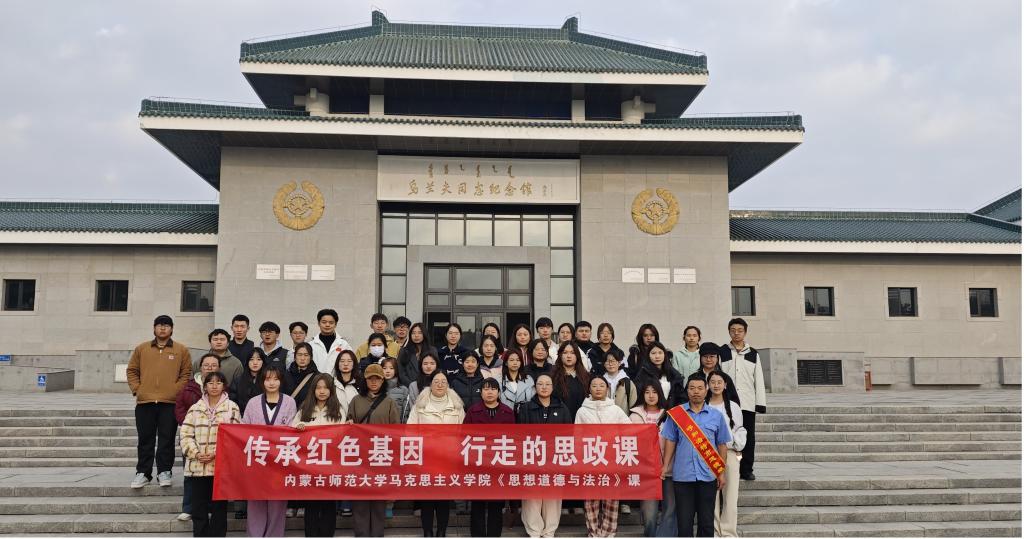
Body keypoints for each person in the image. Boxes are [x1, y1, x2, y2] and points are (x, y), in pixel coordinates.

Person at [661, 373, 731, 538]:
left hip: (708, 476)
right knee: (684, 524)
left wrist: (720, 472)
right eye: (692, 388)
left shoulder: (716, 416)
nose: (696, 392)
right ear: (687, 391)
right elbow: (670, 441)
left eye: (700, 388)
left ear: (706, 390)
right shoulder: (677, 414)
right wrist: (665, 466)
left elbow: (722, 445)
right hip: (683, 476)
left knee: (706, 523)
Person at [126, 315, 192, 489]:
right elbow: (132, 370)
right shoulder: (142, 349)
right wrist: (137, 389)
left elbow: (186, 374)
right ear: (154, 328)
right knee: (145, 439)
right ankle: (143, 473)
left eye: (166, 325)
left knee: (166, 439)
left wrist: (176, 391)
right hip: (145, 402)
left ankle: (164, 471)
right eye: (159, 325)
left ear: (172, 329)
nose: (163, 328)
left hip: (169, 403)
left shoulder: (181, 350)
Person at [180, 371, 240, 537]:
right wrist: (196, 453)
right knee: (198, 508)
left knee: (219, 508)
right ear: (205, 386)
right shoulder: (195, 408)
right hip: (197, 466)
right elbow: (185, 435)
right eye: (211, 383)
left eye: (218, 382)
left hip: (220, 467)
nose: (214, 386)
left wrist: (216, 453)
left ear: (224, 386)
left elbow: (234, 437)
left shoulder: (232, 408)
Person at [407, 371, 465, 537]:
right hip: (426, 459)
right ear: (430, 384)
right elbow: (410, 431)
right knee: (427, 499)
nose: (440, 384)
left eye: (443, 381)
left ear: (448, 385)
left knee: (443, 499)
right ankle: (427, 531)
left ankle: (441, 531)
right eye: (436, 381)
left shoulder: (457, 406)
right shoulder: (420, 405)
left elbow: (463, 432)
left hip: (448, 459)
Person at [241, 365, 297, 537]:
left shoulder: (289, 402)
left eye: (275, 379)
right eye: (267, 379)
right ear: (262, 381)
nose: (271, 383)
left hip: (280, 460)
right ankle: (255, 535)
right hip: (257, 459)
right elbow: (244, 429)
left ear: (281, 381)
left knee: (277, 502)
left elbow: (292, 431)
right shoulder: (253, 403)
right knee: (255, 500)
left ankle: (274, 535)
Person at [347, 364, 400, 537]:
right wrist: (349, 424)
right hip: (360, 457)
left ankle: (377, 535)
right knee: (360, 501)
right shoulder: (356, 401)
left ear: (383, 381)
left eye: (378, 378)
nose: (374, 382)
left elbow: (397, 431)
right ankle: (361, 534)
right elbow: (349, 423)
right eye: (371, 379)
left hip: (381, 457)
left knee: (378, 501)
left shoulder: (389, 402)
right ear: (365, 380)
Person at [575, 377, 631, 537]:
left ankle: (608, 533)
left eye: (601, 385)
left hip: (612, 460)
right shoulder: (582, 411)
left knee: (611, 498)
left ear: (607, 388)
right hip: (590, 460)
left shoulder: (616, 410)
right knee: (590, 499)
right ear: (589, 389)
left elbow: (629, 430)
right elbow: (577, 437)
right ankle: (593, 533)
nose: (598, 388)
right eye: (594, 385)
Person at [517, 374, 571, 537]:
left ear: (553, 387)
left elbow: (568, 435)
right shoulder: (526, 408)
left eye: (548, 384)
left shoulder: (562, 408)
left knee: (552, 497)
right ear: (535, 387)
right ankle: (534, 531)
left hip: (555, 459)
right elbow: (520, 435)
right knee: (532, 496)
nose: (544, 387)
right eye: (540, 384)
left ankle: (549, 531)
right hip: (532, 458)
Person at [293, 373, 346, 536]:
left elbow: (342, 435)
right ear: (313, 390)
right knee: (311, 505)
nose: (322, 391)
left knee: (328, 505)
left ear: (331, 390)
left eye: (325, 388)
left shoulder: (338, 410)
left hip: (330, 466)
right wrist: (300, 427)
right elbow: (292, 431)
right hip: (310, 466)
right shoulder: (305, 409)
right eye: (318, 388)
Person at [464, 378, 515, 537]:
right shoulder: (473, 411)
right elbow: (464, 438)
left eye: (493, 389)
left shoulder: (508, 412)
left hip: (499, 466)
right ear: (481, 392)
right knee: (477, 505)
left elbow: (514, 440)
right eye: (486, 389)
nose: (490, 392)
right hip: (478, 465)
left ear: (499, 392)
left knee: (496, 506)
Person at [173, 353, 220, 522]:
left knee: (212, 477)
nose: (210, 368)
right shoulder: (189, 386)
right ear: (200, 367)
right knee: (190, 474)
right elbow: (179, 407)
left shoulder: (222, 387)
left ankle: (209, 507)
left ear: (219, 368)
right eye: (206, 365)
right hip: (193, 437)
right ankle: (188, 508)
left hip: (214, 438)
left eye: (213, 365)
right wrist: (189, 425)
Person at [718, 318, 766, 481]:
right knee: (727, 435)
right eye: (733, 330)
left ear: (745, 332)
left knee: (748, 437)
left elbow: (758, 379)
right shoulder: (722, 352)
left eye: (740, 330)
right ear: (729, 332)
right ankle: (727, 467)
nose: (736, 333)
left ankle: (746, 469)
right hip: (727, 402)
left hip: (747, 402)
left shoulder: (753, 353)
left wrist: (760, 403)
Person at [629, 381, 674, 537]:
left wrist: (666, 465)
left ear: (660, 393)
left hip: (668, 469)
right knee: (649, 513)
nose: (651, 395)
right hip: (646, 472)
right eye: (647, 392)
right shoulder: (634, 416)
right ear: (642, 395)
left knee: (670, 510)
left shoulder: (670, 415)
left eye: (654, 392)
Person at [706, 371, 746, 538]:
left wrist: (735, 444)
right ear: (707, 385)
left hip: (729, 453)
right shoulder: (704, 404)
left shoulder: (733, 406)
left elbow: (739, 429)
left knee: (730, 495)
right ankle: (715, 531)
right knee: (711, 496)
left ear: (725, 385)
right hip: (708, 454)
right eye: (712, 382)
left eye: (719, 382)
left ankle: (729, 532)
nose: (716, 385)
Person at [551, 341, 590, 420]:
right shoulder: (552, 376)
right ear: (560, 355)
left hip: (581, 420)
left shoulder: (586, 377)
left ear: (577, 356)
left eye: (572, 353)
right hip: (559, 420)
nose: (569, 356)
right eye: (565, 353)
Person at [310, 308, 353, 374]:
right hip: (316, 380)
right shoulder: (311, 345)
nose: (327, 325)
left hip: (337, 380)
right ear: (318, 323)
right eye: (324, 322)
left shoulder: (344, 345)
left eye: (331, 322)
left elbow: (352, 363)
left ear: (335, 324)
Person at [397, 322, 437, 388]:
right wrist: (413, 386)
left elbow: (435, 370)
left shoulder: (432, 350)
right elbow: (401, 373)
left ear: (424, 334)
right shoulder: (404, 351)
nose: (416, 335)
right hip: (409, 387)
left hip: (428, 387)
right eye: (413, 333)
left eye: (419, 333)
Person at [232, 349, 265, 426]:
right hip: (241, 420)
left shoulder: (267, 380)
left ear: (263, 362)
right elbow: (233, 401)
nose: (255, 362)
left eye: (259, 359)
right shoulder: (238, 380)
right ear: (247, 362)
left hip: (263, 421)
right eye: (251, 359)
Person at [404, 352, 440, 420]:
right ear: (421, 366)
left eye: (432, 363)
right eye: (425, 363)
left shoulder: (442, 384)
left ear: (437, 365)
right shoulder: (414, 386)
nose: (428, 366)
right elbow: (413, 408)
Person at [499, 349, 535, 415]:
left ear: (521, 363)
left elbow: (533, 400)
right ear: (506, 363)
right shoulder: (499, 380)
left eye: (518, 360)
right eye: (511, 360)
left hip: (525, 416)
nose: (515, 363)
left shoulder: (528, 380)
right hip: (505, 416)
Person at [602, 349, 636, 416]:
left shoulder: (628, 382)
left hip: (623, 419)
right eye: (608, 361)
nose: (610, 364)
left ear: (619, 363)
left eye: (613, 361)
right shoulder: (601, 381)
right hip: (604, 419)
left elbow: (633, 406)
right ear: (604, 364)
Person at [333, 349, 362, 422]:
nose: (345, 364)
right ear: (337, 364)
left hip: (355, 424)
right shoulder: (331, 384)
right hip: (336, 424)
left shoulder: (361, 384)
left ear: (354, 364)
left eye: (349, 361)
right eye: (342, 361)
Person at [381, 357, 410, 424]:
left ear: (396, 370)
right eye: (384, 368)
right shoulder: (376, 389)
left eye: (391, 368)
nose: (388, 371)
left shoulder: (404, 390)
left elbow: (405, 413)